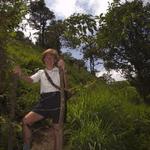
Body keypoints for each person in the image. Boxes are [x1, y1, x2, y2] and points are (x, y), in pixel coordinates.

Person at [13, 48, 66, 150]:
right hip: (44, 103)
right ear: (44, 60)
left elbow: (65, 86)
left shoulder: (59, 71)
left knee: (57, 131)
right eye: (46, 57)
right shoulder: (41, 72)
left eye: (51, 57)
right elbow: (30, 80)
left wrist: (63, 70)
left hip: (57, 102)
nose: (48, 59)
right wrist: (20, 74)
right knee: (26, 121)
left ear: (55, 60)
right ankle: (26, 146)